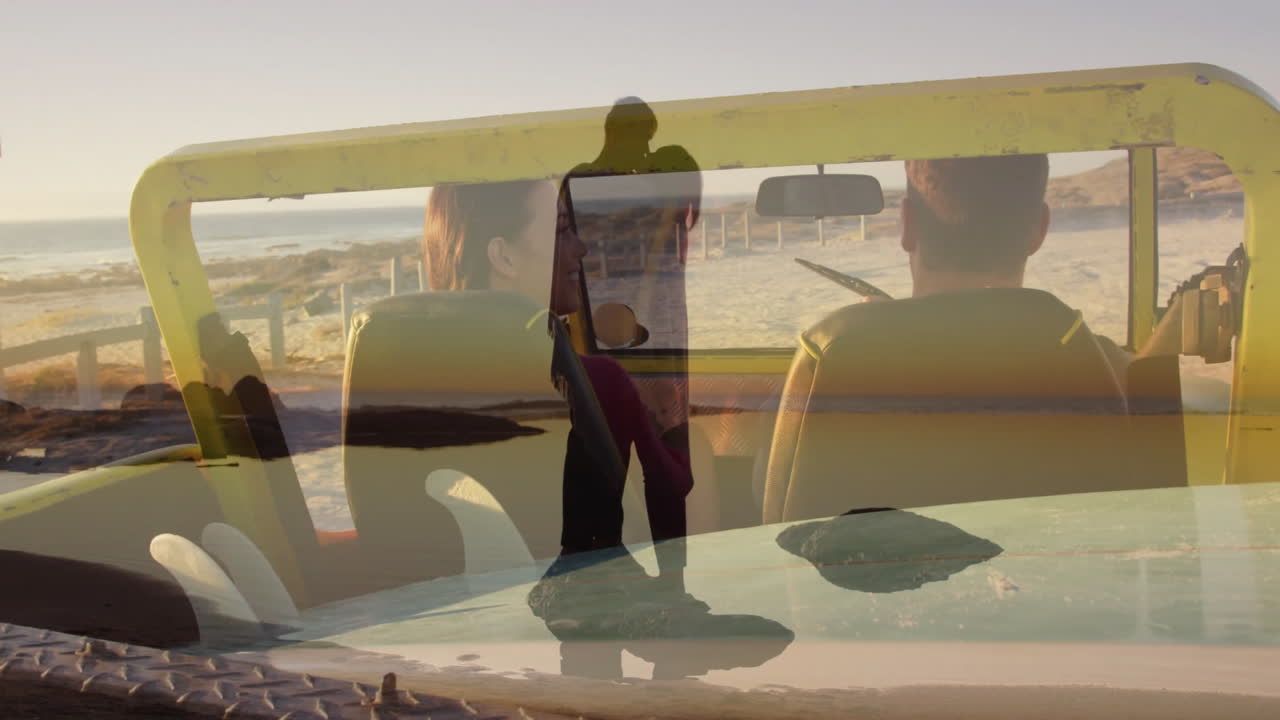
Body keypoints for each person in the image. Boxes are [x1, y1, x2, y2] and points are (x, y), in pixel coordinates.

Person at [421, 179, 692, 568]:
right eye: (561, 230)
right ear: (504, 258)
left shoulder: (407, 379)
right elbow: (673, 512)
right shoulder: (597, 383)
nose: (579, 248)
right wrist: (672, 424)